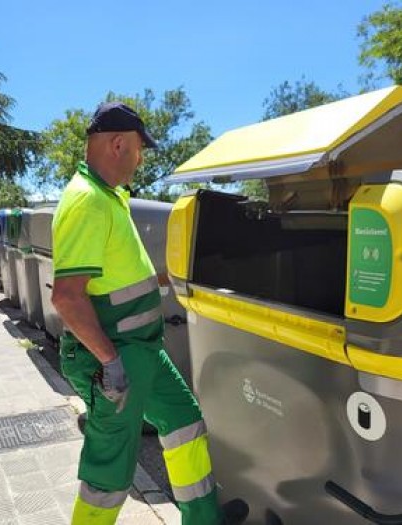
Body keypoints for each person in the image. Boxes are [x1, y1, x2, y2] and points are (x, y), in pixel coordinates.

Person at [51, 102, 249, 525]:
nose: (141, 159)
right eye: (141, 149)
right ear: (118, 143)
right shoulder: (86, 201)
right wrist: (110, 362)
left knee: (183, 420)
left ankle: (203, 520)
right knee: (111, 468)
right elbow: (67, 298)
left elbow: (121, 276)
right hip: (115, 358)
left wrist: (172, 277)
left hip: (142, 350)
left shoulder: (110, 198)